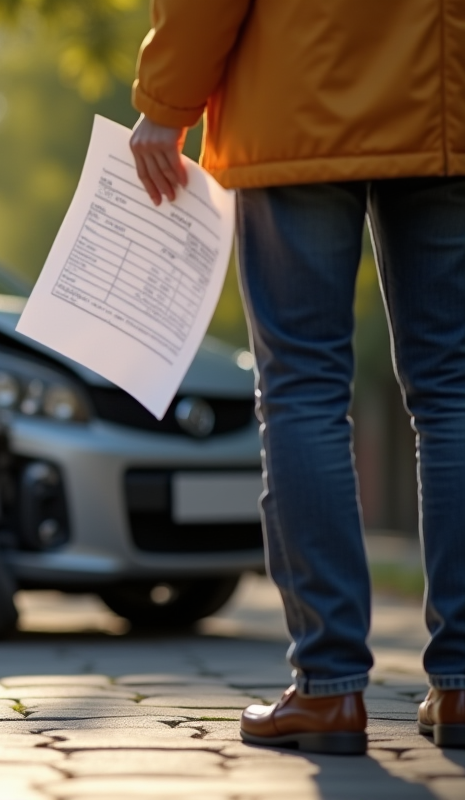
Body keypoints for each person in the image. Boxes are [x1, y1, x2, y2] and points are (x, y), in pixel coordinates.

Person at [128, 1, 465, 755]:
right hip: (447, 91)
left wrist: (165, 101)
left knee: (304, 389)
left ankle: (328, 690)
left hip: (297, 89)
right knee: (454, 392)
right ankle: (464, 686)